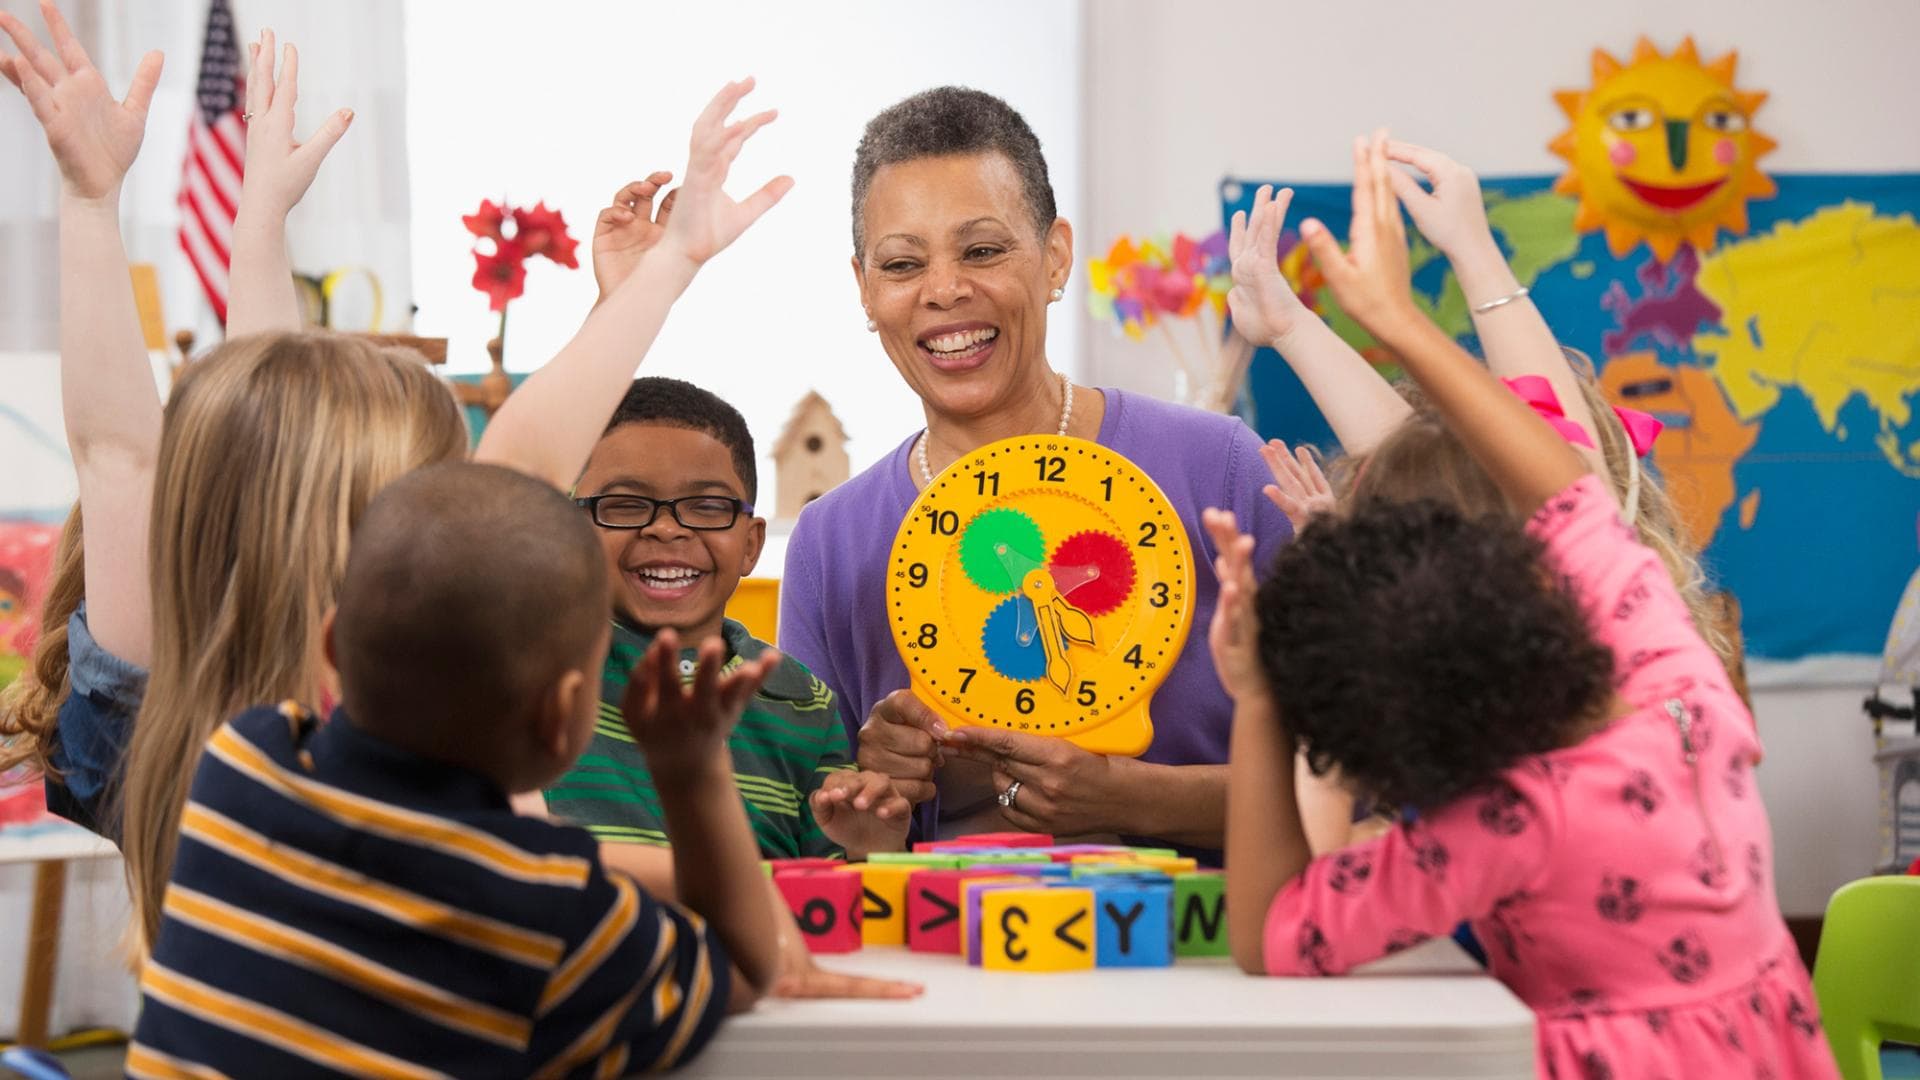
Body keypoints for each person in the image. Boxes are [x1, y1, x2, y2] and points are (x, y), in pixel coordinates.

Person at [0, 3, 784, 953]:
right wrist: (673, 262)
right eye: (442, 484)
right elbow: (128, 452)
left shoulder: (215, 744)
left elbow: (201, 443)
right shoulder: (189, 734)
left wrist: (215, 220)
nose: (474, 500)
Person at [1207, 132, 1836, 1079]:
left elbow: (1269, 935)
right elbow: (1560, 487)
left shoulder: (1503, 825)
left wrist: (1262, 696)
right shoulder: (1680, 686)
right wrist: (1403, 317)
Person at [778, 86, 1351, 861]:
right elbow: (810, 843)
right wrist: (876, 796)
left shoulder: (1220, 469)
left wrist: (1138, 797)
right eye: (904, 263)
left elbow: (1363, 774)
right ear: (865, 289)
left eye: (982, 250)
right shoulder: (830, 541)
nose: (945, 290)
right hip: (948, 967)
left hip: (1217, 957)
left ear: (1054, 257)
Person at [130, 463, 780, 1075]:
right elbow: (748, 967)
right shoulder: (550, 918)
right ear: (562, 714)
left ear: (331, 647)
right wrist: (689, 770)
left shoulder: (240, 765)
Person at [544, 376, 909, 858]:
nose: (666, 528)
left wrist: (871, 851)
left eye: (707, 507)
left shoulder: (802, 703)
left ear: (751, 545)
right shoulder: (541, 662)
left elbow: (830, 901)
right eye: (626, 505)